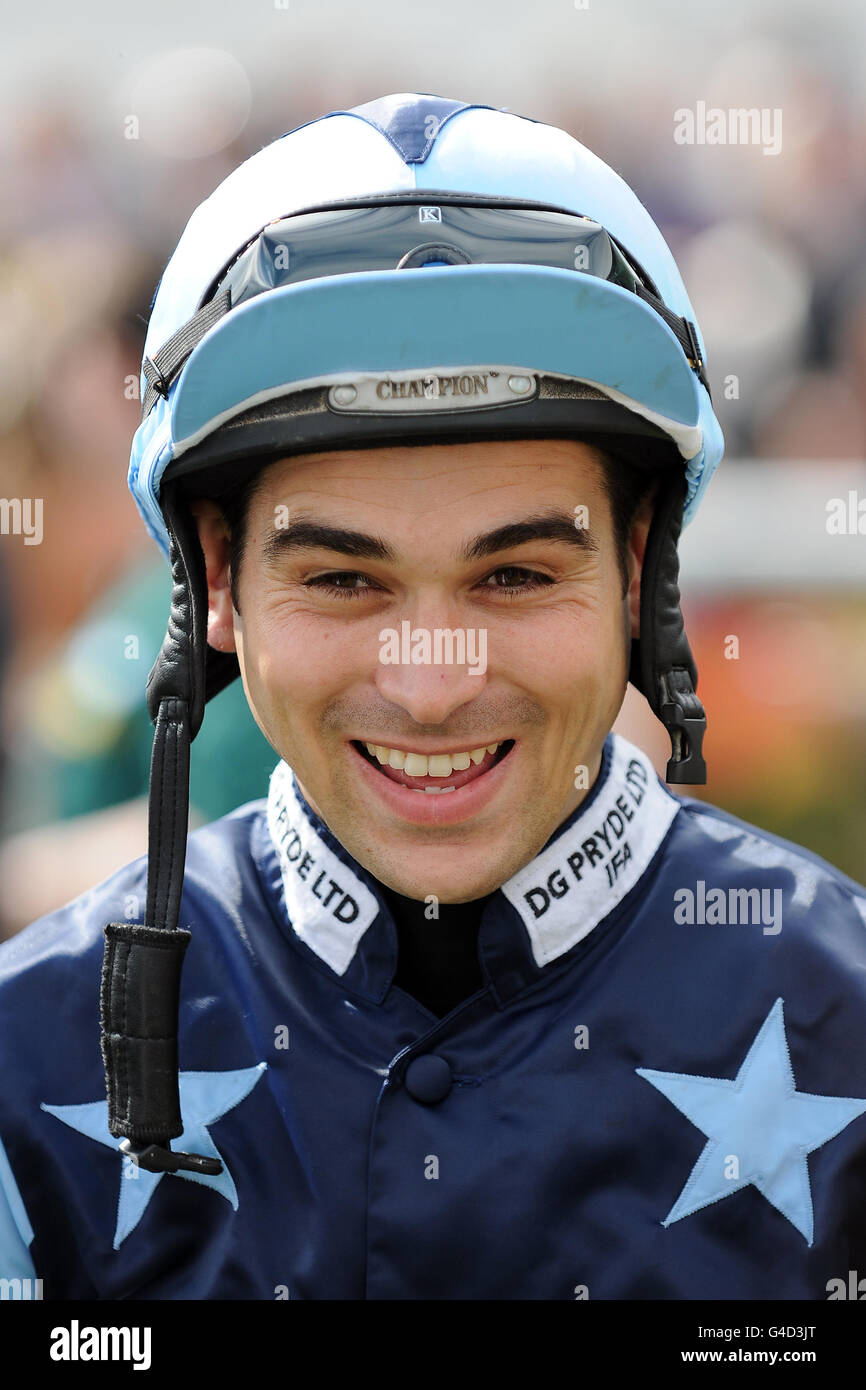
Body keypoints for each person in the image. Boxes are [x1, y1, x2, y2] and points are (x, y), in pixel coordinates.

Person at [1, 92, 864, 1301]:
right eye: (343, 578)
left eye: (513, 573)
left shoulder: (847, 1008)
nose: (431, 683)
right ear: (215, 584)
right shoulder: (23, 1053)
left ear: (636, 577)